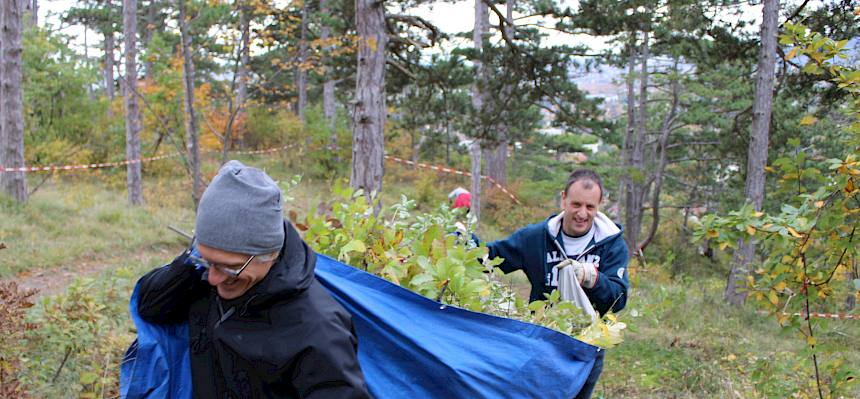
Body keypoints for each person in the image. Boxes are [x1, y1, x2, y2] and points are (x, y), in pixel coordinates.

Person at [135, 160, 370, 398]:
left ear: (269, 254)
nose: (214, 279)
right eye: (207, 261)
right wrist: (192, 263)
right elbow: (150, 307)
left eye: (230, 268)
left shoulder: (318, 329)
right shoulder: (201, 276)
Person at [485, 169, 629, 399]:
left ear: (600, 205)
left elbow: (618, 299)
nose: (582, 213)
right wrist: (462, 242)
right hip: (542, 341)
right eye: (576, 204)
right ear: (563, 199)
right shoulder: (535, 237)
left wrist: (592, 278)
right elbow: (492, 257)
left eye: (590, 207)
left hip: (586, 347)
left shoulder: (611, 244)